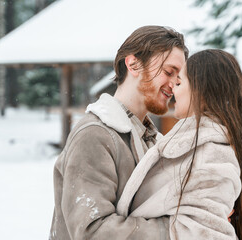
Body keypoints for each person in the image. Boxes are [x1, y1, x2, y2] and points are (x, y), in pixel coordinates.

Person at [49, 25, 189, 239]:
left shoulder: (154, 141)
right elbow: (92, 231)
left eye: (179, 78)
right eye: (169, 72)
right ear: (133, 64)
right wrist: (175, 231)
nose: (175, 84)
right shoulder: (95, 135)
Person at [116, 49, 242, 240]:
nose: (173, 89)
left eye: (179, 82)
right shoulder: (194, 144)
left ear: (202, 92)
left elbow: (207, 234)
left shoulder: (211, 152)